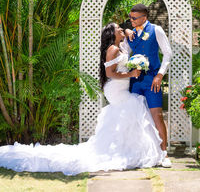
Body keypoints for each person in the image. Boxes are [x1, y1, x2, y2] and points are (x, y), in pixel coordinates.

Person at [0, 23, 166, 175]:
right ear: (112, 33)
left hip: (121, 87)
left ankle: (122, 148)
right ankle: (124, 150)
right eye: (119, 29)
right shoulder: (113, 49)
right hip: (116, 89)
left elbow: (129, 34)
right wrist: (131, 73)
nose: (122, 29)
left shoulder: (119, 46)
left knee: (127, 113)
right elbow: (109, 74)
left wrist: (129, 32)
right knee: (132, 108)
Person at [125, 4, 172, 168]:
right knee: (135, 117)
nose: (130, 21)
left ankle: (164, 153)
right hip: (135, 81)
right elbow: (123, 53)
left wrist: (160, 75)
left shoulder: (156, 30)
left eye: (133, 18)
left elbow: (167, 53)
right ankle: (138, 153)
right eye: (129, 17)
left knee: (157, 115)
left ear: (144, 17)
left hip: (152, 79)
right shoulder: (129, 34)